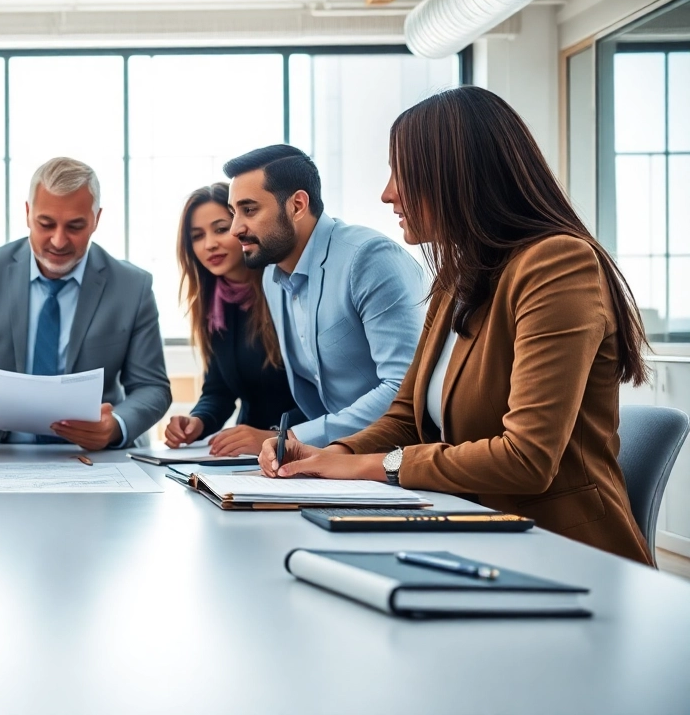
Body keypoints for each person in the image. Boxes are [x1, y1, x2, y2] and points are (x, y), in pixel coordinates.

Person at [257, 86, 653, 565]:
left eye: (401, 174)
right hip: (470, 535)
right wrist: (324, 456)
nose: (387, 194)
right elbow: (406, 418)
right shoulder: (456, 278)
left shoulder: (557, 264)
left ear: (457, 175)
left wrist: (368, 466)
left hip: (562, 554)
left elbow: (526, 459)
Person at [0, 157, 171, 449]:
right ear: (28, 213)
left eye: (75, 226)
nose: (58, 241)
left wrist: (115, 425)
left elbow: (152, 387)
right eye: (46, 224)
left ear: (96, 219)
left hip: (95, 457)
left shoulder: (132, 286)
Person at [224, 144, 425, 451]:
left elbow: (403, 389)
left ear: (297, 205)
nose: (236, 228)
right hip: (334, 459)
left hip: (397, 457)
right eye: (234, 212)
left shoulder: (368, 258)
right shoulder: (272, 278)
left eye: (249, 210)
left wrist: (291, 440)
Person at [163, 183, 299, 455]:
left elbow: (324, 397)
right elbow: (219, 389)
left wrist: (276, 435)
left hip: (302, 446)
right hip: (249, 455)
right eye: (197, 236)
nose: (209, 244)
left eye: (221, 229)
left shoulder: (286, 292)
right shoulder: (215, 304)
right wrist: (196, 421)